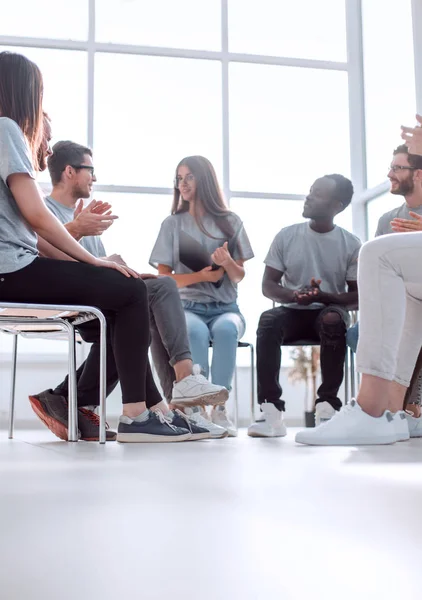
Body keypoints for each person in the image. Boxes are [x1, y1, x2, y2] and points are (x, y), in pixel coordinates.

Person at [0, 50, 193, 443]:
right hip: (11, 272)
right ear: (23, 92)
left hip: (15, 267)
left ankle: (153, 411)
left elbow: (33, 236)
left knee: (122, 296)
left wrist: (94, 264)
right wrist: (92, 260)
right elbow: (38, 218)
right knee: (130, 290)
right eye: (39, 92)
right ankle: (139, 418)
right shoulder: (6, 128)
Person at [31, 139, 227, 440]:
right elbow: (37, 255)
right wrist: (78, 230)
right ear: (70, 171)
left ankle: (170, 394)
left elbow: (94, 264)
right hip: (66, 298)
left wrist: (126, 269)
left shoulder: (85, 215)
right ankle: (169, 395)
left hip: (95, 296)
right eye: (90, 170)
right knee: (145, 307)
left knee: (154, 291)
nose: (94, 177)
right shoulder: (42, 209)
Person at [248, 174, 361, 438]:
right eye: (310, 190)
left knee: (333, 319)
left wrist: (323, 296)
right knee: (268, 319)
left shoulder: (351, 243)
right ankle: (271, 412)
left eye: (318, 193)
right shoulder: (287, 236)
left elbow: (357, 297)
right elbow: (269, 286)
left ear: (338, 206)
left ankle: (327, 408)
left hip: (328, 313)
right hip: (293, 313)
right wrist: (295, 295)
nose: (309, 196)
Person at [150, 156, 254, 437]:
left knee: (227, 329)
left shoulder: (231, 222)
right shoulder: (172, 225)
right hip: (187, 307)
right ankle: (196, 408)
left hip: (225, 308)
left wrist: (228, 262)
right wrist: (202, 276)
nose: (182, 184)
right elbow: (163, 280)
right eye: (179, 178)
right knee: (192, 331)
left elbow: (239, 275)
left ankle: (219, 408)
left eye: (189, 177)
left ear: (204, 180)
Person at [346, 144, 422, 419]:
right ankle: (395, 411)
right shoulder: (388, 220)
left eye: (397, 167)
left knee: (375, 253)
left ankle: (382, 409)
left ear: (418, 174)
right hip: (404, 299)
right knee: (358, 332)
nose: (390, 173)